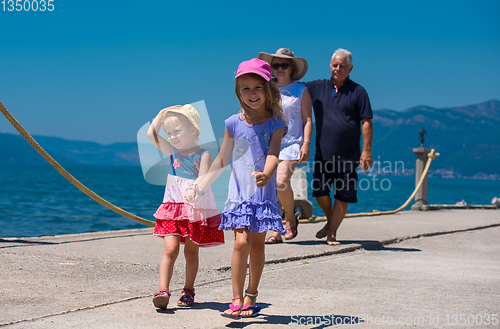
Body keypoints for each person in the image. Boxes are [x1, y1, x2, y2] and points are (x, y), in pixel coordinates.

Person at [184, 58, 287, 319]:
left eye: (257, 88)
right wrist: (201, 184)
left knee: (257, 246)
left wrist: (267, 173)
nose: (252, 94)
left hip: (263, 195)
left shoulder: (276, 124)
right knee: (240, 243)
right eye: (245, 89)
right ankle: (236, 297)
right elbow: (221, 160)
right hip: (239, 196)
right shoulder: (232, 123)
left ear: (268, 89)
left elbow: (274, 153)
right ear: (238, 93)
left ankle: (252, 294)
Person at [147, 104, 224, 310]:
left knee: (191, 252)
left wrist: (195, 191)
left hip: (194, 208)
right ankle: (163, 290)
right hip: (173, 206)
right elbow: (151, 134)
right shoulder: (173, 152)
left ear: (192, 130)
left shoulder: (203, 154)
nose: (172, 137)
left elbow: (204, 177)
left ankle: (188, 290)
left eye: (177, 131)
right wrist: (161, 113)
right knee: (170, 248)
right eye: (169, 133)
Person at [303, 48, 373, 246]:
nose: (337, 68)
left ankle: (332, 232)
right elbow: (292, 87)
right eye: (335, 64)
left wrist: (366, 151)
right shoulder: (317, 87)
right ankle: (330, 220)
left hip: (349, 156)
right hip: (323, 154)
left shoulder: (358, 92)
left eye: (342, 66)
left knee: (343, 195)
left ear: (350, 68)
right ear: (330, 66)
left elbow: (366, 122)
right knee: (320, 192)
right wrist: (274, 75)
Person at [258, 48, 313, 243]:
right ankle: (276, 228)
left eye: (284, 65)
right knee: (271, 186)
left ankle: (290, 219)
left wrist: (306, 144)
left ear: (291, 68)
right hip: (269, 143)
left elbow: (307, 120)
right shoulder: (265, 88)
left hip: (292, 143)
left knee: (281, 182)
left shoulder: (301, 90)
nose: (279, 68)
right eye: (276, 65)